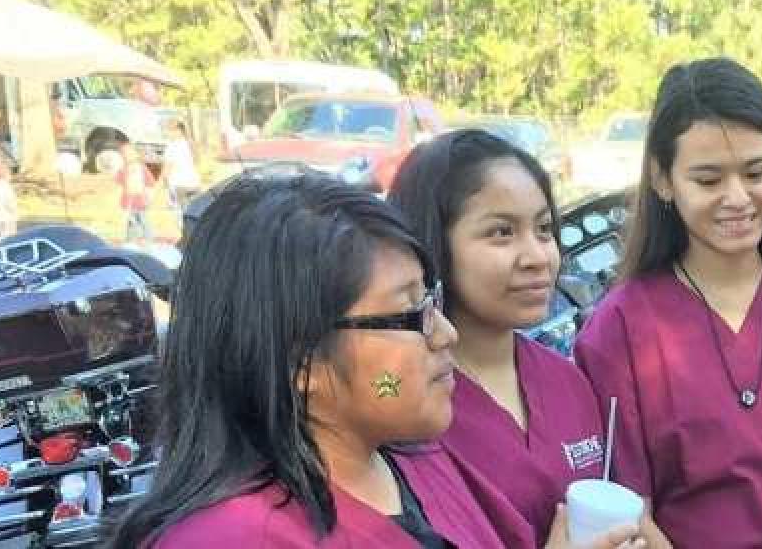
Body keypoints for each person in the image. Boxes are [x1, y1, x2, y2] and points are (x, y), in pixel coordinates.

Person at [103, 172, 607, 548]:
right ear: (300, 362)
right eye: (410, 315)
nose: (445, 334)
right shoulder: (233, 538)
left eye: (430, 301)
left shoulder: (418, 460)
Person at [575, 57, 762, 548]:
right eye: (708, 181)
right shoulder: (619, 330)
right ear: (663, 180)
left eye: (754, 172)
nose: (737, 198)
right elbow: (631, 509)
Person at [387, 130, 618, 547]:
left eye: (545, 230)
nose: (537, 257)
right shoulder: (405, 408)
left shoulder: (568, 382)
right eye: (501, 233)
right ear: (432, 243)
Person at [117, 141, 156, 246]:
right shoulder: (123, 169)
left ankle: (148, 239)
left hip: (140, 200)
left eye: (129, 153)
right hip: (128, 201)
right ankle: (130, 240)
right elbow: (119, 182)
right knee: (130, 221)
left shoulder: (141, 168)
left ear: (135, 154)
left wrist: (149, 197)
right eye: (124, 154)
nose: (127, 156)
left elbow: (150, 182)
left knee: (143, 220)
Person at [163, 120, 203, 212]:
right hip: (194, 182)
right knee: (196, 213)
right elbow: (197, 161)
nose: (167, 134)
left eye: (168, 131)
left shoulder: (171, 147)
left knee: (183, 214)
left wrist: (165, 184)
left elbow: (167, 169)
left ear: (178, 131)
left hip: (179, 184)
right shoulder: (191, 143)